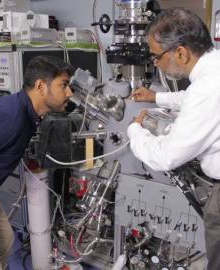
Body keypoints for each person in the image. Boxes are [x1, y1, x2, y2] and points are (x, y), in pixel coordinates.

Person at [0, 55, 74, 270]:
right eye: (63, 85)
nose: (69, 93)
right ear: (40, 86)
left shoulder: (27, 112)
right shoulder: (9, 119)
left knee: (6, 242)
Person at [127, 7, 220, 269]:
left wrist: (136, 131)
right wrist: (156, 97)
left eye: (156, 57)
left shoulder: (208, 87)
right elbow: (192, 99)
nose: (155, 63)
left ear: (181, 52)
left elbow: (165, 156)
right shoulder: (214, 67)